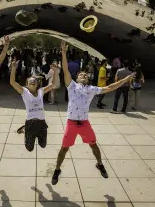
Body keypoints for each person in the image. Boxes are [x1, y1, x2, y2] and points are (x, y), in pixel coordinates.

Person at [52, 41, 133, 185]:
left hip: (84, 124)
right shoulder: (72, 86)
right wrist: (63, 53)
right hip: (71, 123)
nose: (82, 74)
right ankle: (57, 169)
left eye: (84, 74)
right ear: (76, 78)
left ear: (88, 78)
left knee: (94, 145)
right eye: (80, 74)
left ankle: (99, 164)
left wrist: (125, 80)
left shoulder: (91, 89)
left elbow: (110, 87)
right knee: (64, 149)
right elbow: (65, 70)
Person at [9, 60, 57, 152]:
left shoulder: (41, 91)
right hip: (30, 123)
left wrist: (54, 71)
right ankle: (25, 129)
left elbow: (53, 84)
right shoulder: (24, 92)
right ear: (27, 84)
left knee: (43, 145)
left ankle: (25, 129)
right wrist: (14, 68)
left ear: (37, 84)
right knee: (29, 148)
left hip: (42, 123)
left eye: (34, 81)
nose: (32, 82)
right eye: (30, 81)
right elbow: (12, 82)